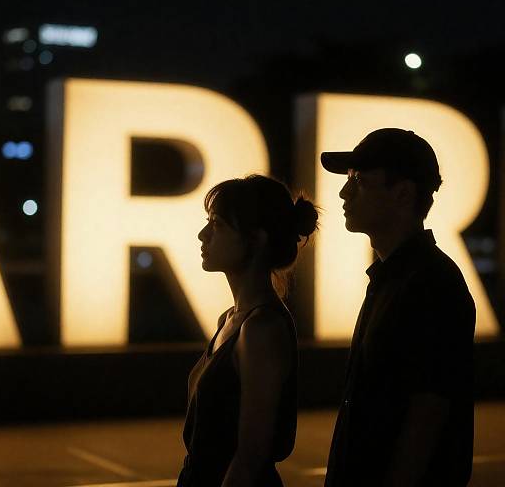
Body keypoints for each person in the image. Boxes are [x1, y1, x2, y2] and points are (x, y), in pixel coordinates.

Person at [320, 128, 476, 487]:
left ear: (403, 193)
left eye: (358, 180)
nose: (344, 192)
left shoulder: (431, 284)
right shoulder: (393, 278)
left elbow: (428, 412)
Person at [177, 174, 319, 487]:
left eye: (218, 224)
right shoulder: (231, 320)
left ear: (257, 238)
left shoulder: (261, 329)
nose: (203, 235)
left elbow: (251, 455)